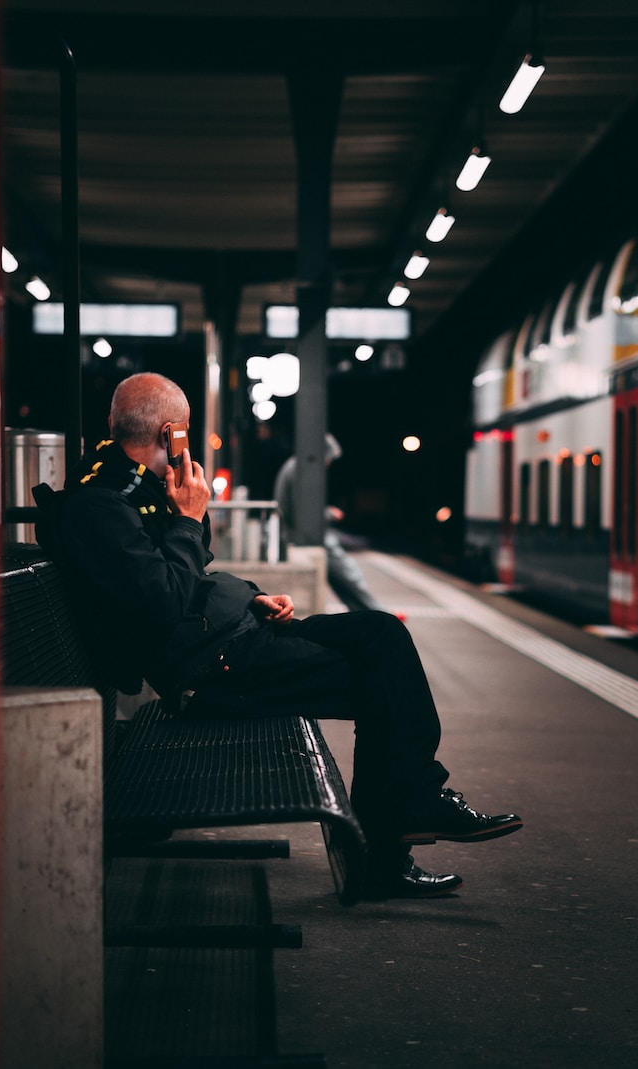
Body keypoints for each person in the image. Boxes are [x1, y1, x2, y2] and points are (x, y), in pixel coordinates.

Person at [39, 373, 521, 898]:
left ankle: (401, 823)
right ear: (171, 433)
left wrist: (250, 595)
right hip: (210, 670)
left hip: (230, 637)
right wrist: (189, 520)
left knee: (379, 635)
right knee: (382, 675)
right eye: (186, 433)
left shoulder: (133, 489)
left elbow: (188, 583)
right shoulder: (102, 504)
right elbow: (162, 603)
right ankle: (395, 837)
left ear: (116, 424)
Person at [273, 432, 389, 614]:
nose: (328, 464)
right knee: (349, 573)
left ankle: (368, 612)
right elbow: (304, 514)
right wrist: (330, 514)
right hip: (304, 536)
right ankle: (378, 614)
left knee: (346, 572)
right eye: (328, 459)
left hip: (296, 533)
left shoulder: (293, 465)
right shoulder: (301, 468)